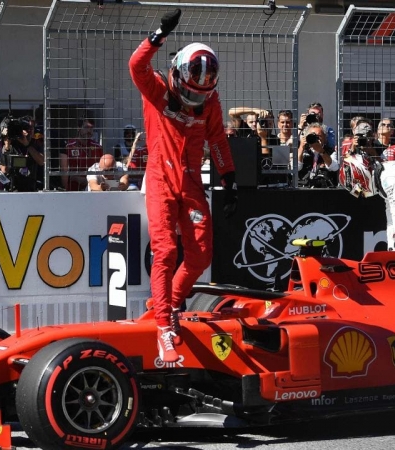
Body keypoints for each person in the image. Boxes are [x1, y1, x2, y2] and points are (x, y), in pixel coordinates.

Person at [129, 8, 237, 363]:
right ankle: (163, 327)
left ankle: (170, 305)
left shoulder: (210, 102)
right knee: (165, 252)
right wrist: (157, 34)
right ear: (176, 73)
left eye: (200, 96)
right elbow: (136, 66)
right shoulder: (156, 88)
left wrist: (229, 177)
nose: (193, 103)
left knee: (200, 254)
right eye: (189, 93)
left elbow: (218, 139)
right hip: (160, 179)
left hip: (191, 182)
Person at [0, 116, 44, 192]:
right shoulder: (12, 144)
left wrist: (27, 144)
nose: (29, 130)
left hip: (30, 188)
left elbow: (42, 161)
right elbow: (4, 170)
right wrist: (7, 147)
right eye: (26, 128)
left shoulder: (36, 143)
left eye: (31, 128)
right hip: (12, 188)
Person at [61, 118, 103, 191]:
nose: (89, 131)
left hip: (92, 188)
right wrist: (66, 189)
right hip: (73, 189)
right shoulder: (69, 146)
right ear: (79, 128)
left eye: (91, 128)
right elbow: (64, 170)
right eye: (86, 127)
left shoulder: (97, 147)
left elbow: (102, 168)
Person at [298, 123, 339, 188]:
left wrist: (321, 151)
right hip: (304, 187)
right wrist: (301, 148)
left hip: (323, 188)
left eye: (319, 136)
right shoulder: (302, 150)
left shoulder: (330, 151)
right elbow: (296, 167)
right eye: (312, 136)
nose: (316, 139)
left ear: (325, 137)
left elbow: (334, 167)